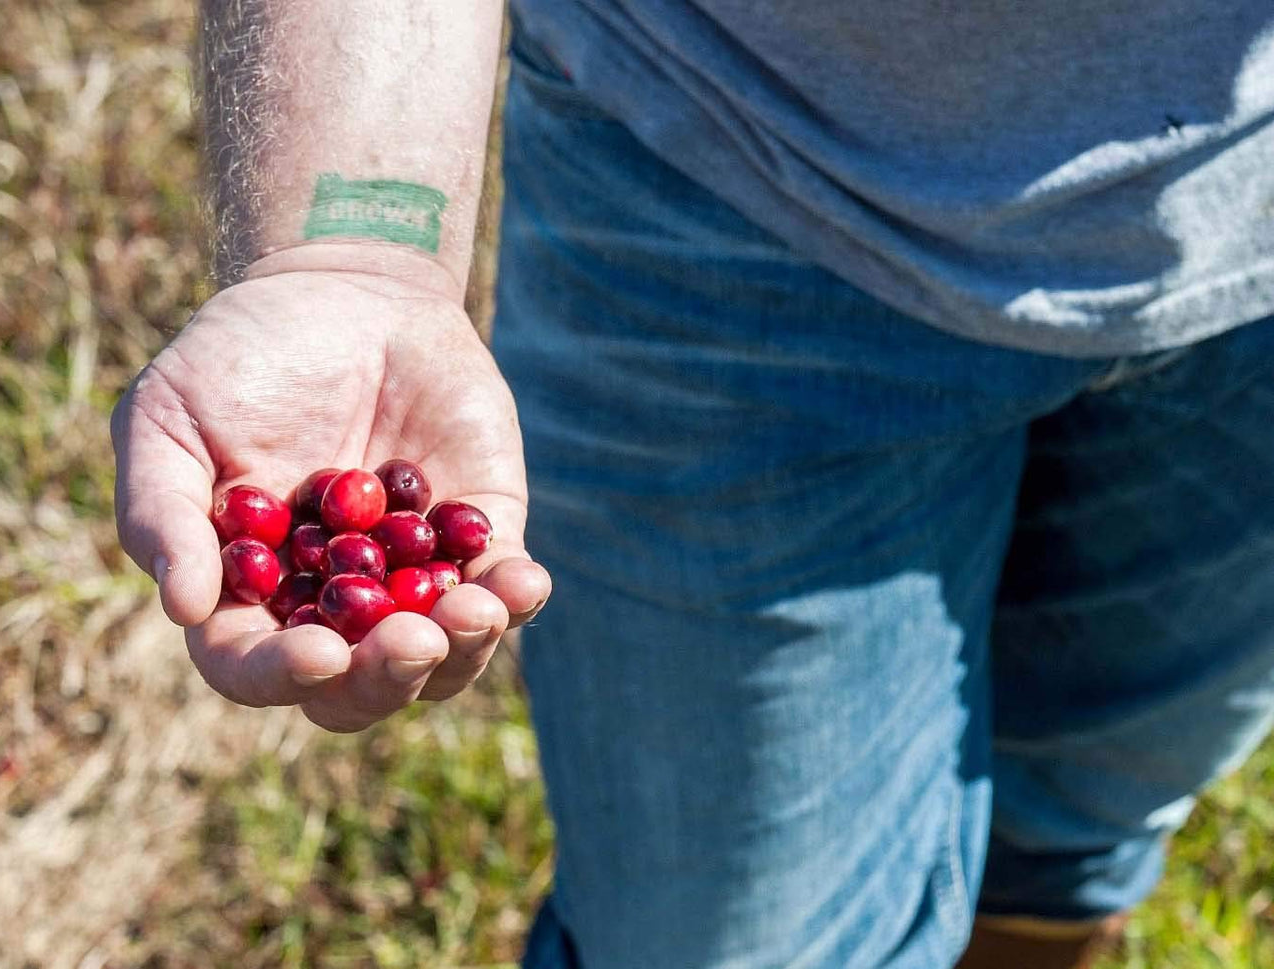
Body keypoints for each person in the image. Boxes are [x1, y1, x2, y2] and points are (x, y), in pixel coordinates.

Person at [110, 2, 1274, 967]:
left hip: (1250, 252)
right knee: (721, 938)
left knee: (1089, 802)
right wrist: (349, 254)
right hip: (726, 177)